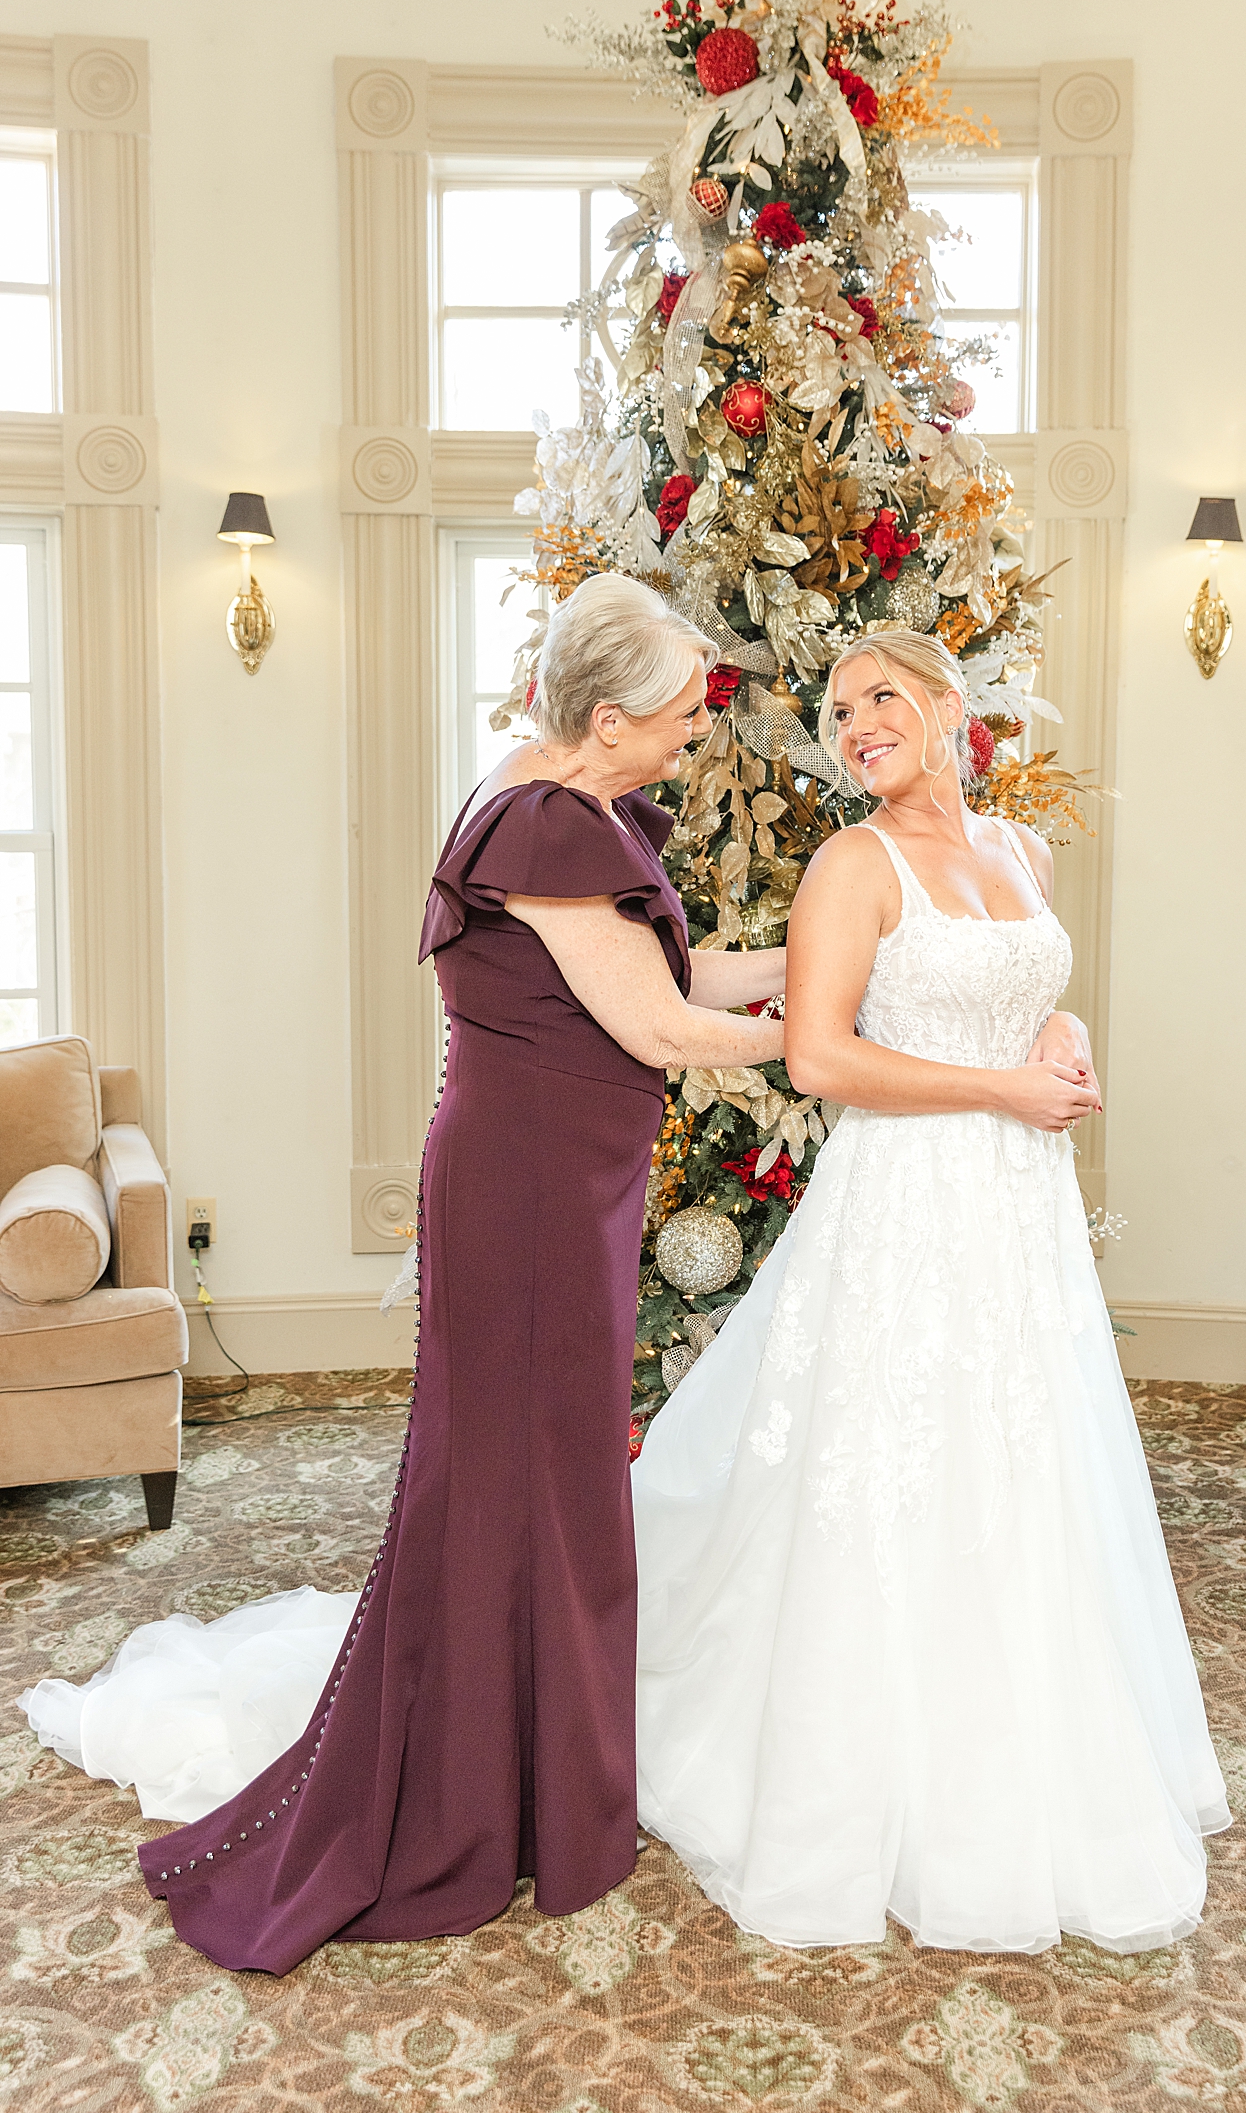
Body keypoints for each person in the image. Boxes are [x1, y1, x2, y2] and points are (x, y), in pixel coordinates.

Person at [19, 575, 785, 1976]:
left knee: (534, 1471)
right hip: (536, 1194)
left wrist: (803, 964)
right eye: (680, 716)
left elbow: (681, 966)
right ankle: (494, 1788)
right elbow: (661, 1025)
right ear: (607, 717)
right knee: (528, 1474)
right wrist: (831, 1024)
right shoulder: (551, 823)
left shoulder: (558, 797)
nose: (693, 738)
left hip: (562, 1181)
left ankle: (525, 1759)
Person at [632, 627, 1230, 1955]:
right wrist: (1006, 1091)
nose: (856, 728)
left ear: (949, 703)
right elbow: (825, 1059)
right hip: (904, 1205)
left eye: (880, 697)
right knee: (893, 1466)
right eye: (839, 714)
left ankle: (1025, 1755)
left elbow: (1034, 1001)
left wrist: (1059, 1043)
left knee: (1020, 1467)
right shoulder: (854, 864)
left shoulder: (1022, 849)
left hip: (1020, 1219)